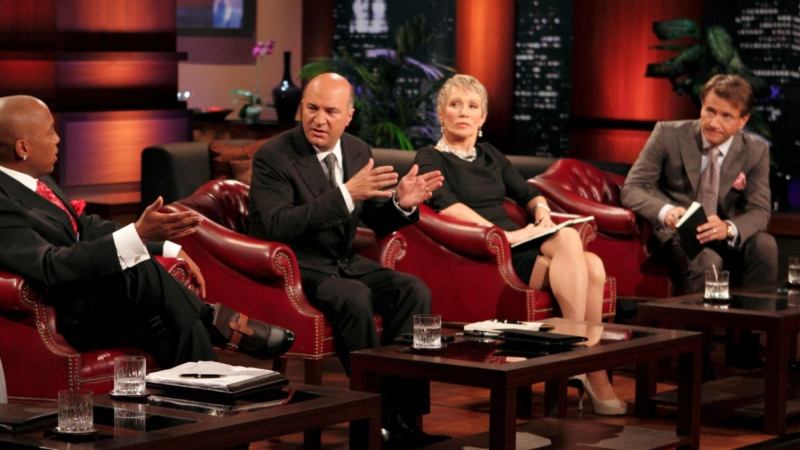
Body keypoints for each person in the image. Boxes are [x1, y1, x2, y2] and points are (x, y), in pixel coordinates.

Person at [0, 95, 293, 369]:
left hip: (98, 303)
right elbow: (50, 265)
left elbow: (84, 228)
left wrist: (163, 245)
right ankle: (217, 323)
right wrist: (138, 235)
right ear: (23, 148)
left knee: (179, 323)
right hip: (66, 315)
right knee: (142, 271)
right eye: (50, 132)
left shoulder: (40, 180)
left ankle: (204, 396)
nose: (58, 139)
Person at [247, 73, 447, 447]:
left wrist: (401, 204)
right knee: (354, 296)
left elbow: (374, 219)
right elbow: (277, 225)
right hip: (297, 267)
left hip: (343, 261)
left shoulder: (356, 150)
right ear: (300, 108)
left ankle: (404, 418)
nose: (319, 120)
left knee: (413, 290)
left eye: (330, 111)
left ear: (349, 116)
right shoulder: (274, 156)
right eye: (311, 108)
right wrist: (344, 195)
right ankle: (369, 421)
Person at [415, 74, 626, 415]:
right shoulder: (430, 157)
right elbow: (445, 205)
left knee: (592, 263)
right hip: (484, 251)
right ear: (441, 113)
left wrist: (541, 211)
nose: (463, 112)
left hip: (517, 242)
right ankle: (583, 360)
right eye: (455, 105)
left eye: (472, 106)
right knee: (577, 249)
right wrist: (501, 234)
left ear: (483, 117)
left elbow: (528, 192)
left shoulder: (490, 155)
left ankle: (579, 358)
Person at [621, 74, 777, 295]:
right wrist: (667, 211)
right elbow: (632, 187)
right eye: (710, 111)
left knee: (765, 246)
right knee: (707, 261)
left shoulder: (755, 150)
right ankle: (700, 319)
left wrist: (728, 228)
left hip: (722, 234)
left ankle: (755, 317)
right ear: (702, 106)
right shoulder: (668, 134)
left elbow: (759, 210)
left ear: (742, 121)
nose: (714, 123)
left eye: (726, 116)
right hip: (678, 235)